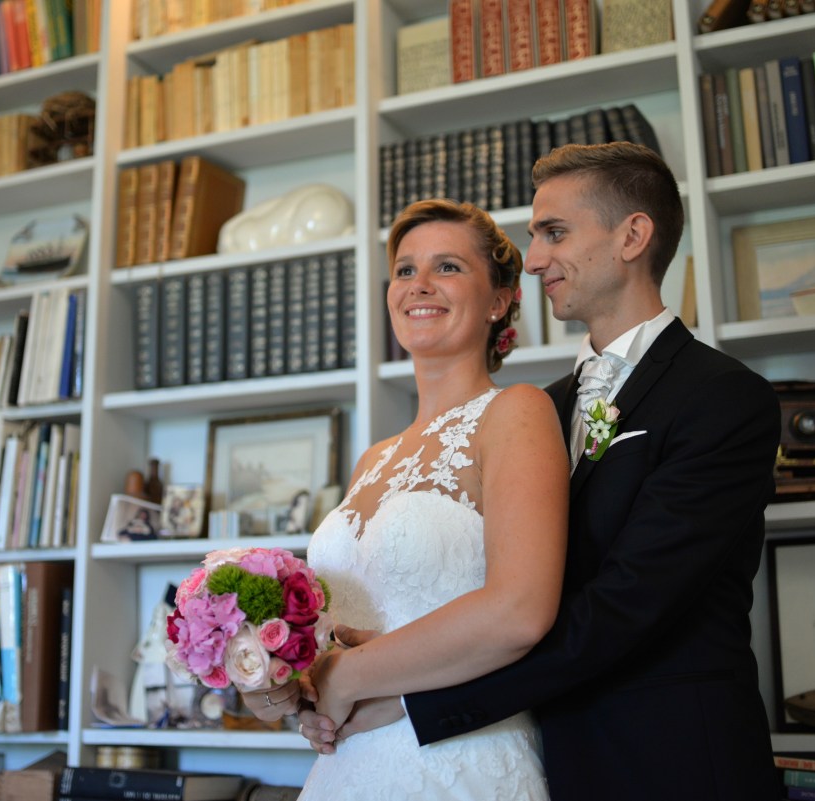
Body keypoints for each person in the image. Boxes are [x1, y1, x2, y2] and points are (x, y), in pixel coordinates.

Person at [297, 142, 783, 801]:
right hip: (548, 752)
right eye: (534, 237)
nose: (533, 259)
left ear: (632, 236)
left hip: (670, 759)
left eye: (554, 233)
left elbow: (626, 605)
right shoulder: (538, 408)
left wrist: (403, 693)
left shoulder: (721, 396)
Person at [243, 199, 569, 799]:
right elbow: (339, 636)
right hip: (347, 768)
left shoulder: (517, 412)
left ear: (499, 301)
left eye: (448, 267)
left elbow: (520, 611)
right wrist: (282, 684)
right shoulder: (372, 459)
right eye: (404, 270)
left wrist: (348, 676)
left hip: (460, 762)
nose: (419, 284)